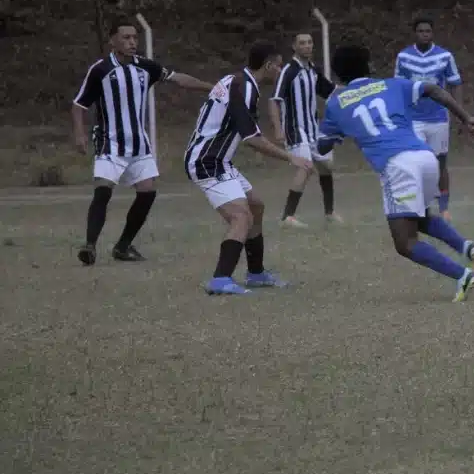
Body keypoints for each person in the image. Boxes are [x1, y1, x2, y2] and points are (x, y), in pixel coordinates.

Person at [318, 45, 474, 302]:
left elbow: (323, 146)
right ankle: (465, 246)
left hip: (397, 165)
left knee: (405, 242)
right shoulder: (393, 84)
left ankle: (462, 275)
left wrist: (334, 133)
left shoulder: (336, 103)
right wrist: (465, 118)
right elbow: (432, 89)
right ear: (369, 67)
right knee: (418, 217)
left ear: (337, 76)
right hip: (425, 157)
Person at [72, 22, 212, 265]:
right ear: (112, 41)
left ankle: (123, 246)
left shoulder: (145, 67)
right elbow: (79, 105)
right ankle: (90, 246)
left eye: (134, 38)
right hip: (110, 142)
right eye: (126, 38)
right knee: (103, 189)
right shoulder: (101, 70)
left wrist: (214, 88)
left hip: (139, 145)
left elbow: (178, 79)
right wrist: (80, 134)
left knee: (147, 192)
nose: (132, 42)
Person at [184, 42, 313, 296]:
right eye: (278, 65)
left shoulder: (237, 80)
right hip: (207, 161)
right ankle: (221, 280)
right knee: (240, 217)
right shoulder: (244, 88)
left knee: (256, 205)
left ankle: (256, 274)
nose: (279, 71)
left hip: (218, 160)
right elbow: (251, 137)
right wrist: (291, 158)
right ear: (267, 65)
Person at [393, 16, 463, 221]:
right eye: (421, 31)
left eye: (428, 31)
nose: (425, 34)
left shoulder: (444, 56)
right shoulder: (404, 57)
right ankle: (419, 206)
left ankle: (444, 208)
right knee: (416, 163)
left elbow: (455, 83)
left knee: (440, 162)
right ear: (415, 33)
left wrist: (459, 112)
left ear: (432, 33)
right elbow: (398, 88)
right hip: (414, 119)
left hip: (439, 117)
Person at [270, 33, 341, 228]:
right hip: (295, 129)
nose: (307, 46)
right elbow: (275, 101)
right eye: (302, 43)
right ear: (294, 46)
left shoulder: (313, 70)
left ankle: (329, 213)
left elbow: (331, 91)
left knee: (326, 166)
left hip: (313, 128)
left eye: (310, 42)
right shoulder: (289, 71)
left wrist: (358, 89)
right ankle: (288, 217)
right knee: (305, 166)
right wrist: (278, 129)